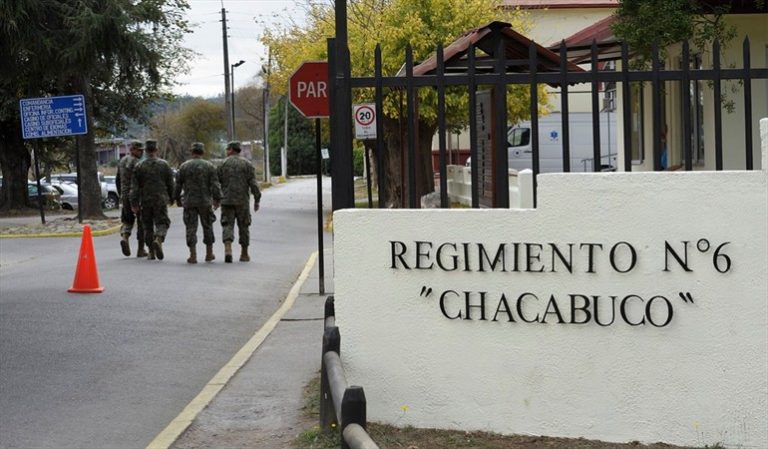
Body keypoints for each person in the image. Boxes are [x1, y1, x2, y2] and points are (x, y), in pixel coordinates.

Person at [174, 142, 222, 264]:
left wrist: (177, 199)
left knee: (191, 227)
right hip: (205, 202)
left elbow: (178, 185)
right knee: (208, 226)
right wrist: (217, 199)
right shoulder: (209, 166)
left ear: (192, 152)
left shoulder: (184, 166)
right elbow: (215, 184)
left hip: (189, 202)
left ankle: (193, 255)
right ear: (203, 152)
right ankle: (209, 253)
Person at [130, 139, 174, 261]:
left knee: (147, 226)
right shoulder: (164, 165)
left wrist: (134, 203)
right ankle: (158, 238)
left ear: (146, 150)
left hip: (145, 200)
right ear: (156, 150)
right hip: (160, 199)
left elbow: (134, 187)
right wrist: (172, 197)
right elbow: (170, 183)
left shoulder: (139, 166)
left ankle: (151, 251)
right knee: (163, 223)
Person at [218, 141, 261, 263]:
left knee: (227, 224)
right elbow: (253, 183)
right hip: (242, 201)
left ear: (231, 149)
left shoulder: (222, 164)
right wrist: (257, 199)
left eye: (227, 149)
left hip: (226, 200)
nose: (227, 151)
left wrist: (216, 198)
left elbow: (216, 183)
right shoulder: (247, 164)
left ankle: (228, 249)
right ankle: (244, 253)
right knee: (244, 226)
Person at [115, 140, 147, 257]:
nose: (141, 152)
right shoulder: (138, 163)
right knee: (141, 222)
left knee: (127, 219)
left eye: (142, 150)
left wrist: (121, 194)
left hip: (125, 195)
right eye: (139, 150)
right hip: (137, 196)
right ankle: (141, 249)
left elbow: (117, 179)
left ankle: (125, 237)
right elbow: (142, 181)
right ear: (132, 149)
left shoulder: (122, 161)